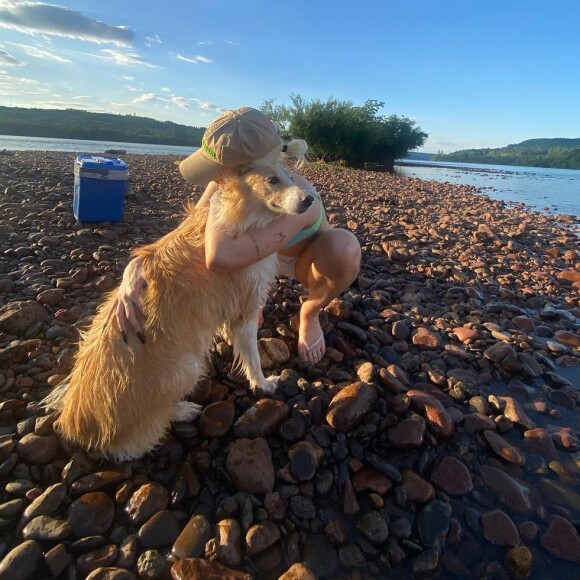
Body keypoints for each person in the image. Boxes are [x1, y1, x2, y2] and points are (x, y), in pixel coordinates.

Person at [110, 107, 361, 364]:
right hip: (258, 260)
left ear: (252, 169)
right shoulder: (228, 184)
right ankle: (250, 303)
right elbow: (183, 234)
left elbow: (221, 258)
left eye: (221, 171)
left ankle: (310, 312)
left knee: (343, 246)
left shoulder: (298, 196)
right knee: (204, 242)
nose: (216, 178)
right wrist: (138, 264)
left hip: (303, 262)